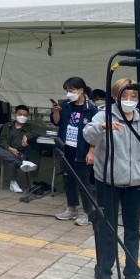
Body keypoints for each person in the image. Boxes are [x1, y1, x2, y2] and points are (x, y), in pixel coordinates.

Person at [83, 78, 140, 279]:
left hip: (135, 183)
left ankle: (132, 272)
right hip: (108, 181)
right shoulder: (103, 115)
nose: (129, 100)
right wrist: (102, 127)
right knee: (108, 228)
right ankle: (104, 269)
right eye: (124, 96)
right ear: (115, 96)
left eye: (133, 96)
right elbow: (87, 134)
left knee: (133, 230)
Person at [51, 77, 97, 226]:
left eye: (71, 90)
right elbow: (57, 122)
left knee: (84, 182)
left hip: (82, 150)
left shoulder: (91, 108)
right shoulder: (67, 105)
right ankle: (71, 208)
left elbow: (96, 132)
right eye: (67, 90)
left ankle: (87, 212)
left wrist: (91, 151)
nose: (68, 93)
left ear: (81, 90)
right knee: (68, 179)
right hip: (66, 149)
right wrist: (56, 112)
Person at [0, 104, 43, 193]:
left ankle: (13, 183)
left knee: (13, 162)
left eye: (25, 115)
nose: (22, 117)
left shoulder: (30, 127)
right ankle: (22, 163)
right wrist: (10, 148)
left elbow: (42, 130)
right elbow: (2, 140)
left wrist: (27, 135)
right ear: (15, 114)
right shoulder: (7, 126)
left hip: (21, 152)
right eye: (20, 114)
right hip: (8, 150)